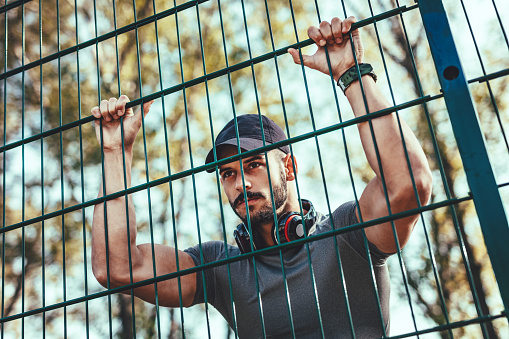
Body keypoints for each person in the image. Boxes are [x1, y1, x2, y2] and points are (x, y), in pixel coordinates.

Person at [91, 16, 432, 338]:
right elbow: (117, 267)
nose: (240, 183)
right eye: (227, 174)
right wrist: (114, 153)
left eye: (254, 164)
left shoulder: (348, 233)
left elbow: (409, 183)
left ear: (289, 167)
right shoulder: (219, 268)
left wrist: (351, 73)